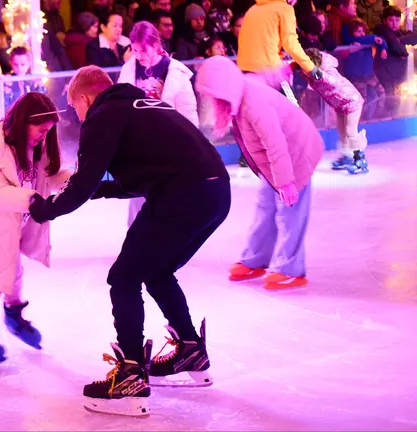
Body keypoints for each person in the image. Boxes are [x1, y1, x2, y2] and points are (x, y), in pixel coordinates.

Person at [28, 66, 231, 417]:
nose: (78, 116)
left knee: (123, 277)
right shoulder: (145, 104)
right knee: (157, 270)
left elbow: (84, 179)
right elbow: (139, 177)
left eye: (76, 108)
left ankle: (130, 377)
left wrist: (46, 210)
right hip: (215, 191)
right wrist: (95, 192)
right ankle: (190, 350)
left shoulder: (103, 114)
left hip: (181, 195)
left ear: (86, 97)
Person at [0, 92, 72, 364]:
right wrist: (31, 201)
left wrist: (77, 178)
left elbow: (51, 178)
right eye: (40, 130)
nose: (44, 136)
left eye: (48, 132)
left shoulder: (34, 148)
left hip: (13, 223)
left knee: (12, 271)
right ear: (23, 122)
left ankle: (14, 311)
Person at [195, 56, 323, 290]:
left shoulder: (253, 103)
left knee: (289, 210)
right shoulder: (240, 92)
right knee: (266, 206)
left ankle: (290, 269)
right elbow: (266, 75)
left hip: (297, 151)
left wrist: (286, 183)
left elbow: (275, 143)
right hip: (275, 159)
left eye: (213, 94)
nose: (212, 100)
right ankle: (256, 259)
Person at [118, 21, 199, 228]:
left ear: (155, 45)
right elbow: (119, 107)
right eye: (135, 50)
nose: (139, 55)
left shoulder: (175, 72)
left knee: (168, 195)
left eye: (143, 50)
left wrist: (193, 147)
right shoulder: (129, 70)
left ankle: (166, 239)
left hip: (170, 145)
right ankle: (135, 239)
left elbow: (188, 111)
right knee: (137, 195)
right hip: (139, 145)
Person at [295, 48, 368, 174]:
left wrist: (320, 74)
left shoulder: (328, 71)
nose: (303, 71)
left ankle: (360, 160)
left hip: (351, 101)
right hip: (339, 104)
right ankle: (347, 156)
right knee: (341, 132)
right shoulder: (307, 72)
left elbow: (333, 81)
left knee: (351, 132)